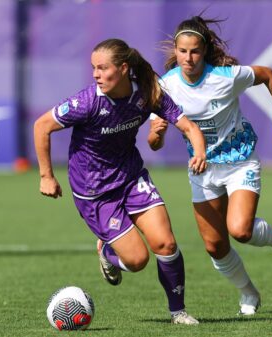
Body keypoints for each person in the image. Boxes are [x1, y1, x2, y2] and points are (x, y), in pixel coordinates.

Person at [33, 38, 207, 325]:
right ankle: (106, 249)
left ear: (124, 68)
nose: (96, 75)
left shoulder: (147, 93)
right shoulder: (86, 102)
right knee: (137, 261)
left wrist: (199, 152)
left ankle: (178, 312)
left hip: (131, 177)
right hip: (95, 192)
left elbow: (188, 126)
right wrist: (46, 176)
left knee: (165, 243)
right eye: (93, 68)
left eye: (102, 68)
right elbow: (42, 126)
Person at [148, 16, 272, 316]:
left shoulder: (225, 76)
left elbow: (269, 75)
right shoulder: (165, 86)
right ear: (176, 51)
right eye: (183, 51)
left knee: (241, 230)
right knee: (215, 246)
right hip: (202, 170)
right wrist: (156, 134)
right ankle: (248, 293)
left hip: (240, 160)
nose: (188, 58)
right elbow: (153, 143)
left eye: (195, 51)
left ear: (204, 50)